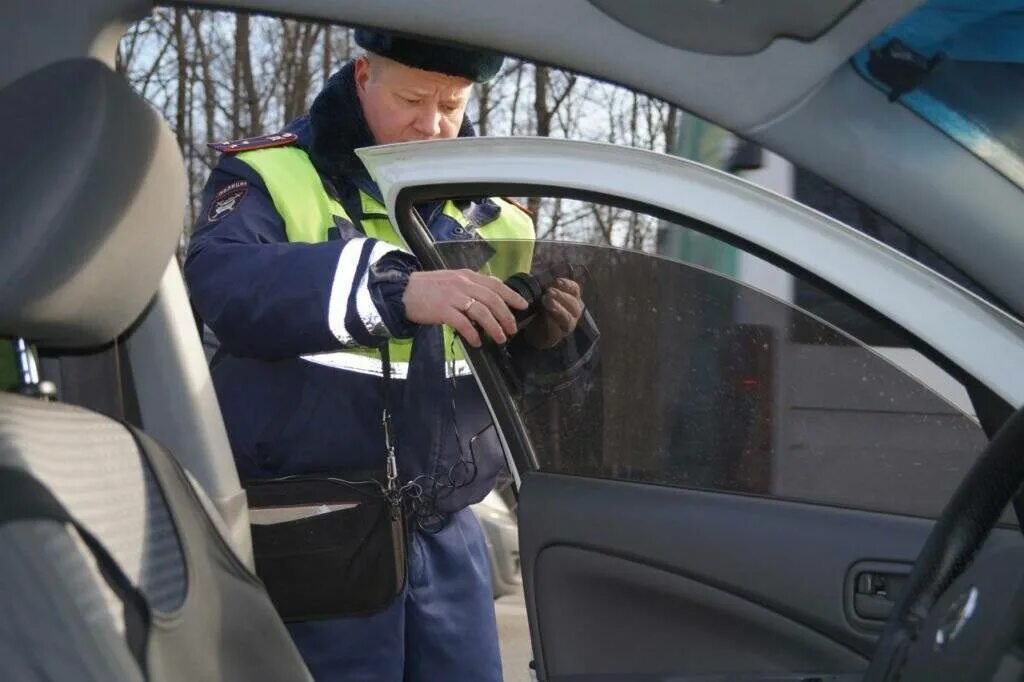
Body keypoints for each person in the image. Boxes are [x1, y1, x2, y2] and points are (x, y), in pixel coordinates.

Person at [185, 30, 593, 681]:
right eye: (412, 97)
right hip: (314, 534)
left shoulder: (502, 216)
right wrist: (399, 290)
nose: (432, 124)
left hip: (452, 538)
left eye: (451, 103)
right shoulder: (270, 173)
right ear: (364, 76)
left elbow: (501, 388)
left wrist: (547, 340)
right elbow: (223, 285)